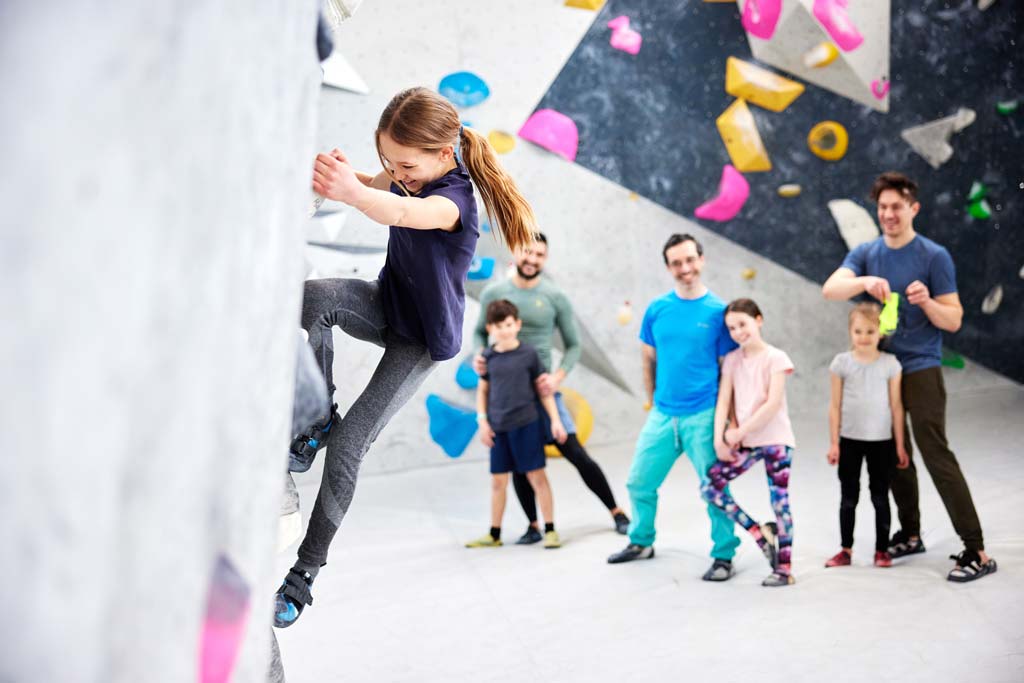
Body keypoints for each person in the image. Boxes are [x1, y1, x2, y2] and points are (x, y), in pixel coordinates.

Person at [274, 87, 537, 628]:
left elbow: (396, 208)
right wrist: (350, 176)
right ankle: (318, 418)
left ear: (445, 155)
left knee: (351, 448)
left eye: (407, 164)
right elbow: (382, 188)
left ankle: (304, 574)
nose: (398, 172)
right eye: (389, 160)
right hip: (387, 305)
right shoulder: (409, 174)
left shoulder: (453, 202)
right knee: (314, 299)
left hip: (421, 342)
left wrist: (354, 193)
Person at [822, 171, 996, 583]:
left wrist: (928, 303)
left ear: (913, 208)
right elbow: (831, 289)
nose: (888, 214)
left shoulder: (934, 256)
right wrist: (863, 281)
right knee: (893, 456)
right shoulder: (867, 253)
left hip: (920, 368)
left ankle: (976, 549)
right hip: (882, 372)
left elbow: (953, 320)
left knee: (934, 453)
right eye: (882, 207)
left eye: (896, 206)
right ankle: (911, 532)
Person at [472, 233, 630, 544]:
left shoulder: (554, 296)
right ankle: (533, 526)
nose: (532, 259)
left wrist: (557, 376)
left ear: (545, 259)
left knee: (575, 452)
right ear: (516, 252)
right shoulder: (494, 292)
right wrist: (480, 355)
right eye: (527, 252)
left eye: (539, 255)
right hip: (507, 392)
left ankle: (616, 511)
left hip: (543, 391)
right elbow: (479, 333)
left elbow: (574, 346)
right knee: (519, 463)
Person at [607, 234, 741, 582]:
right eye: (677, 263)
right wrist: (652, 401)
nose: (685, 268)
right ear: (668, 267)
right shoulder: (657, 309)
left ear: (702, 260)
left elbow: (729, 371)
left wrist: (728, 422)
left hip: (704, 415)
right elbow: (648, 357)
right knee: (639, 482)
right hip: (664, 415)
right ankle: (641, 541)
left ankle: (724, 554)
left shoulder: (718, 312)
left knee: (714, 488)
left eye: (690, 260)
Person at [700, 299, 796, 587]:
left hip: (776, 441)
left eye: (743, 324)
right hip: (746, 443)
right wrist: (720, 438)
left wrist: (738, 433)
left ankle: (784, 570)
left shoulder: (776, 358)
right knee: (710, 487)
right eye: (732, 328)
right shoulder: (732, 360)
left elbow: (772, 403)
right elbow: (723, 401)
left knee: (780, 502)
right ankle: (757, 532)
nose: (738, 332)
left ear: (759, 320)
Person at [466, 300, 567, 549]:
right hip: (498, 428)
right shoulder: (487, 357)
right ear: (490, 328)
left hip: (527, 425)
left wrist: (555, 420)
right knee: (498, 482)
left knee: (537, 477)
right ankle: (494, 534)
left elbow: (544, 391)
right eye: (498, 325)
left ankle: (550, 529)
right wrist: (482, 422)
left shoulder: (529, 354)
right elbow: (483, 391)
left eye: (509, 324)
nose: (504, 330)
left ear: (517, 324)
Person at [824, 303, 910, 569]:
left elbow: (896, 407)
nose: (863, 337)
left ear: (880, 333)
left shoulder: (890, 365)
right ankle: (845, 550)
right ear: (850, 332)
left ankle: (881, 550)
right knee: (849, 497)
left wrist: (900, 445)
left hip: (881, 442)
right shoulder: (842, 363)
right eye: (858, 331)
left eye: (870, 331)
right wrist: (834, 442)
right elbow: (835, 405)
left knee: (880, 496)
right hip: (850, 440)